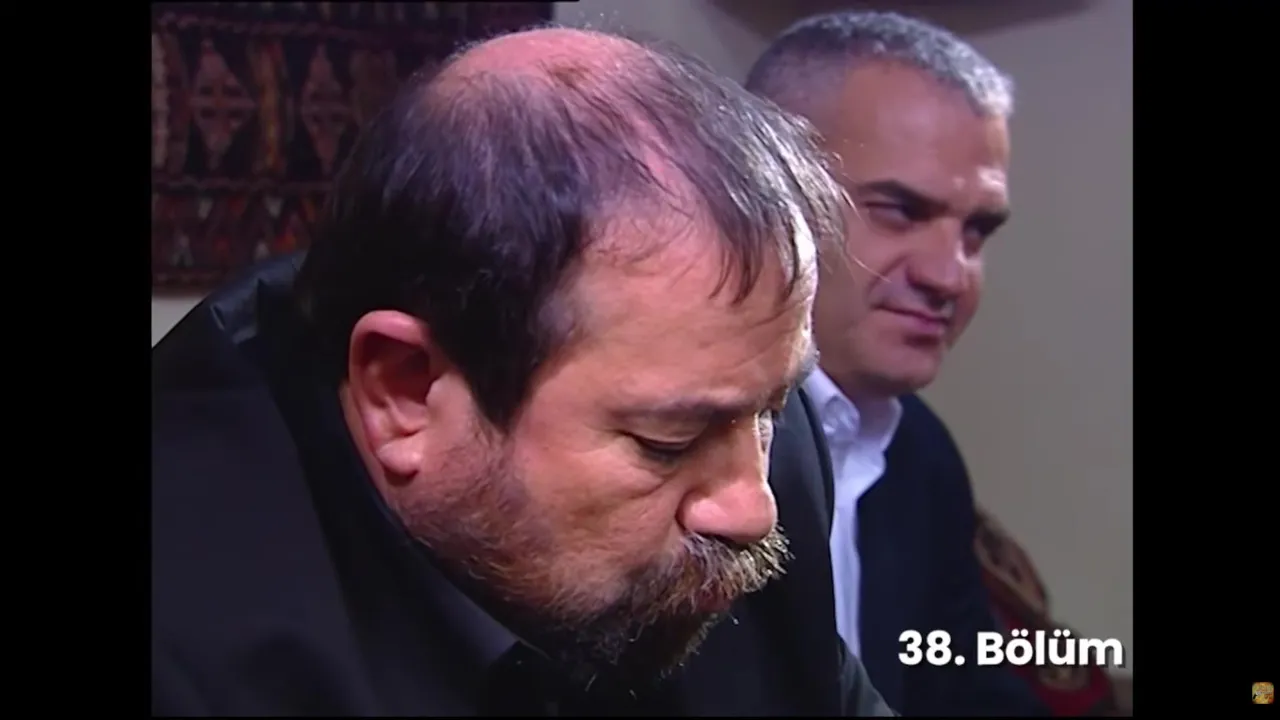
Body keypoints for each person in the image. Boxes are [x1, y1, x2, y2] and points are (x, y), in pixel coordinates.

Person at [151, 26, 896, 716]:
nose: (753, 511)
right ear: (404, 391)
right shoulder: (185, 649)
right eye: (665, 443)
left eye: (771, 408)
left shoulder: (749, 444)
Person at [746, 11, 1049, 716]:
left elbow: (965, 687)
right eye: (900, 211)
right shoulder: (675, 437)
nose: (950, 276)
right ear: (767, 190)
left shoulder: (918, 449)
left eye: (977, 231)